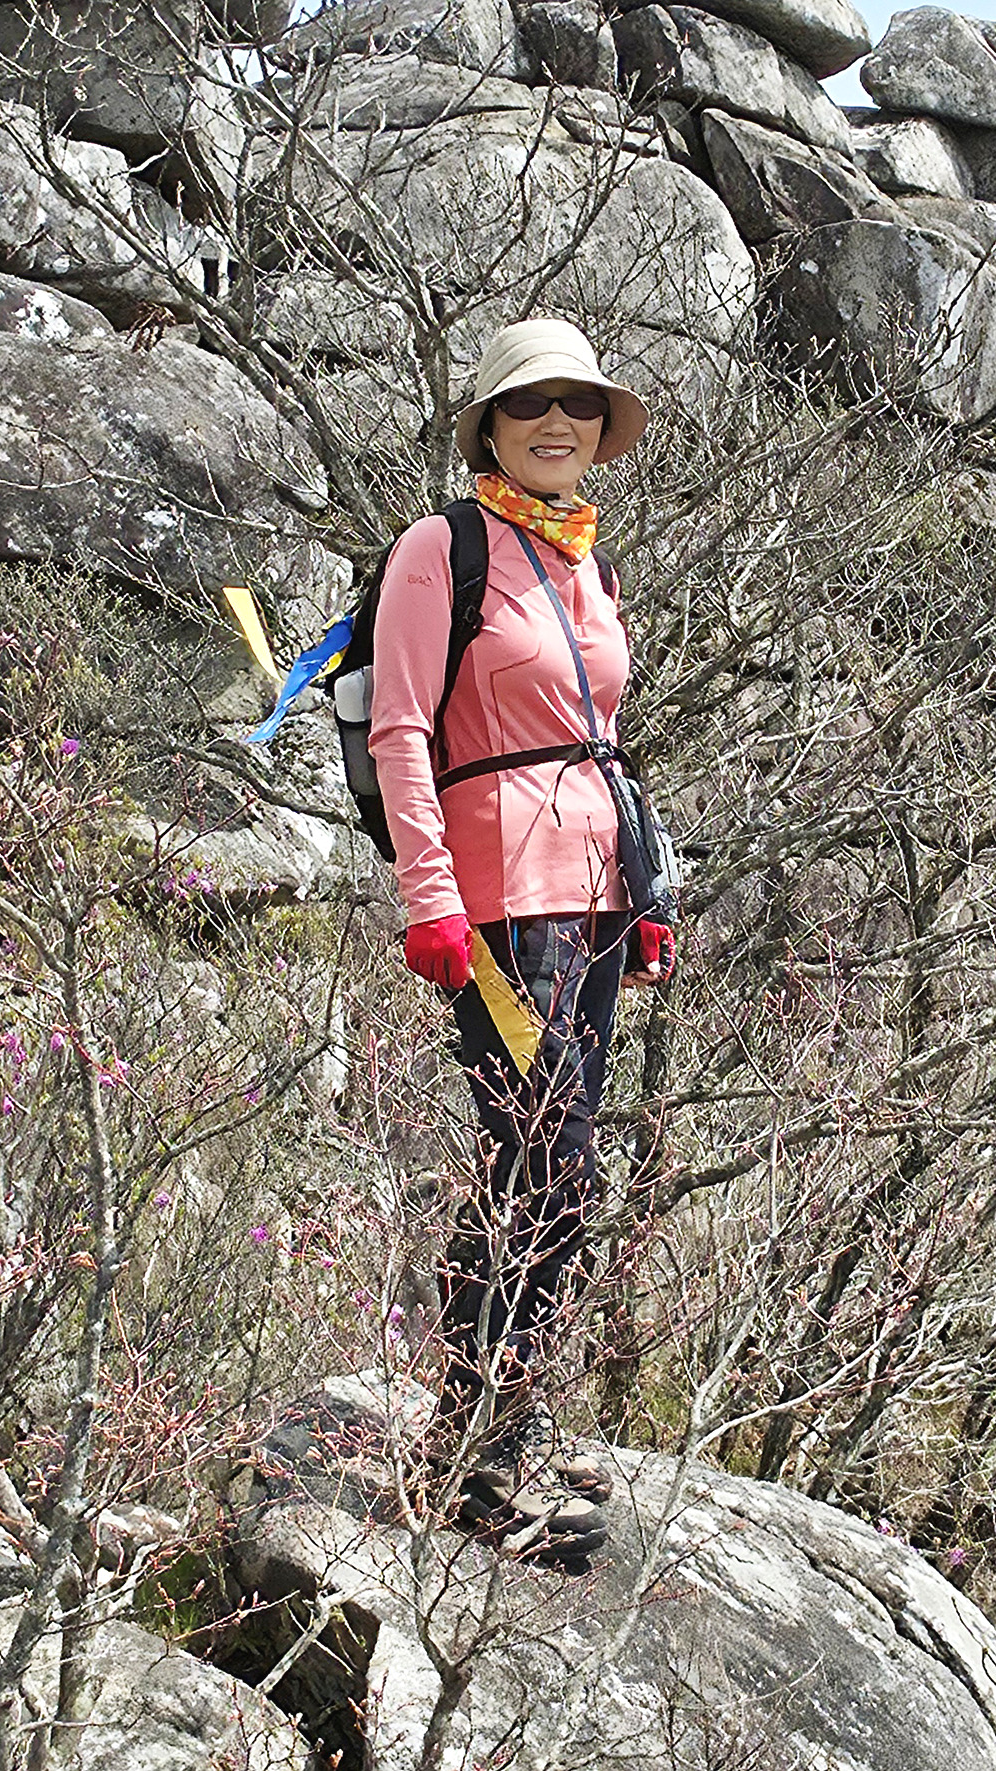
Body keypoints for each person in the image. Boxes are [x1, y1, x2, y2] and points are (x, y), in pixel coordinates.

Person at [370, 316, 673, 1554]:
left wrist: (643, 897)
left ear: (601, 430)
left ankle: (505, 1417)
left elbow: (602, 741)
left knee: (557, 1164)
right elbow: (401, 728)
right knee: (542, 1158)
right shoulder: (440, 548)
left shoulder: (586, 559)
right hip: (501, 899)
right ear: (489, 425)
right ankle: (481, 1457)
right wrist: (429, 897)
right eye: (530, 402)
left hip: (592, 893)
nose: (557, 421)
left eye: (579, 404)